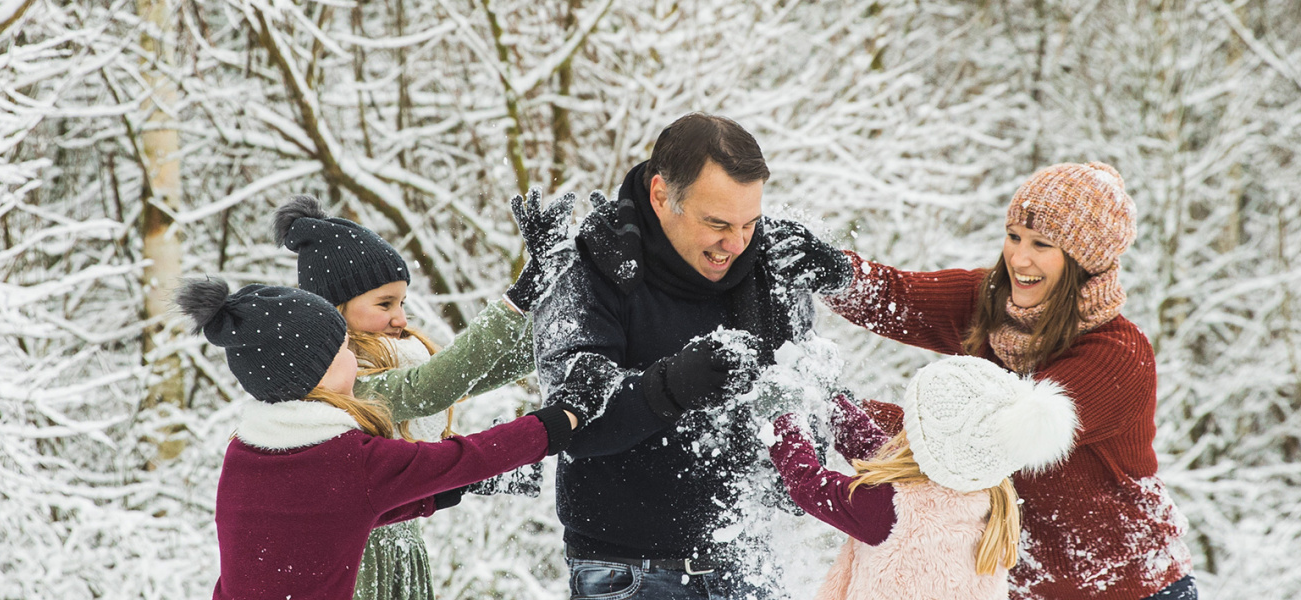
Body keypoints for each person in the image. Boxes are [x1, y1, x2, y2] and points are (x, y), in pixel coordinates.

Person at [817, 162, 1198, 599]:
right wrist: (831, 271)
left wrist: (839, 412)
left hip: (1131, 588)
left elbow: (979, 437)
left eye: (1042, 244)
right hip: (1021, 588)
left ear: (1083, 262)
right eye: (1014, 236)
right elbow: (893, 297)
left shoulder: (1118, 355)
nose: (1020, 258)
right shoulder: (993, 302)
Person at [531, 112, 852, 599]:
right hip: (629, 571)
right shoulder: (594, 266)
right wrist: (670, 387)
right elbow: (572, 424)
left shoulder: (772, 266)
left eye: (750, 223)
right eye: (717, 223)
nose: (736, 243)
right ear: (662, 196)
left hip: (748, 562)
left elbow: (808, 398)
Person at [177, 278, 582, 600]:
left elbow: (335, 519)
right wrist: (555, 422)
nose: (354, 358)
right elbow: (465, 458)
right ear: (312, 375)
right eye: (342, 351)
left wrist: (440, 496)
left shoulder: (244, 451)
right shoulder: (348, 458)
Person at [272, 193, 574, 600]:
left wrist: (566, 299)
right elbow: (431, 387)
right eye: (385, 304)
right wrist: (516, 301)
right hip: (360, 562)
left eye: (402, 302)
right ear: (335, 310)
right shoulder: (336, 383)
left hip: (402, 546)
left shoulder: (396, 359)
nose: (401, 318)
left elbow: (472, 373)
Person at [767, 356, 1077, 600]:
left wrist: (783, 417)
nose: (902, 432)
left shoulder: (891, 508)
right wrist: (833, 406)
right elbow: (887, 460)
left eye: (913, 425)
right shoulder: (992, 499)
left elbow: (809, 484)